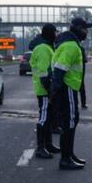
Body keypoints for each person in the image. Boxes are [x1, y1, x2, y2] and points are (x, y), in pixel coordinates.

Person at [51, 17, 92, 170]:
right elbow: (60, 68)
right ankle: (65, 158)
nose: (86, 32)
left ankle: (69, 154)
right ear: (77, 28)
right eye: (84, 29)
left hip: (69, 87)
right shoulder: (70, 46)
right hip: (67, 87)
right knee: (69, 121)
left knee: (72, 120)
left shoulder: (71, 43)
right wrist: (54, 91)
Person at [29, 24, 61, 159]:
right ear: (49, 34)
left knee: (47, 118)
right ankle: (40, 148)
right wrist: (49, 90)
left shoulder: (47, 47)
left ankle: (48, 145)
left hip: (46, 88)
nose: (56, 35)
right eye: (55, 32)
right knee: (43, 118)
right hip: (44, 89)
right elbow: (43, 72)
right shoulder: (43, 48)